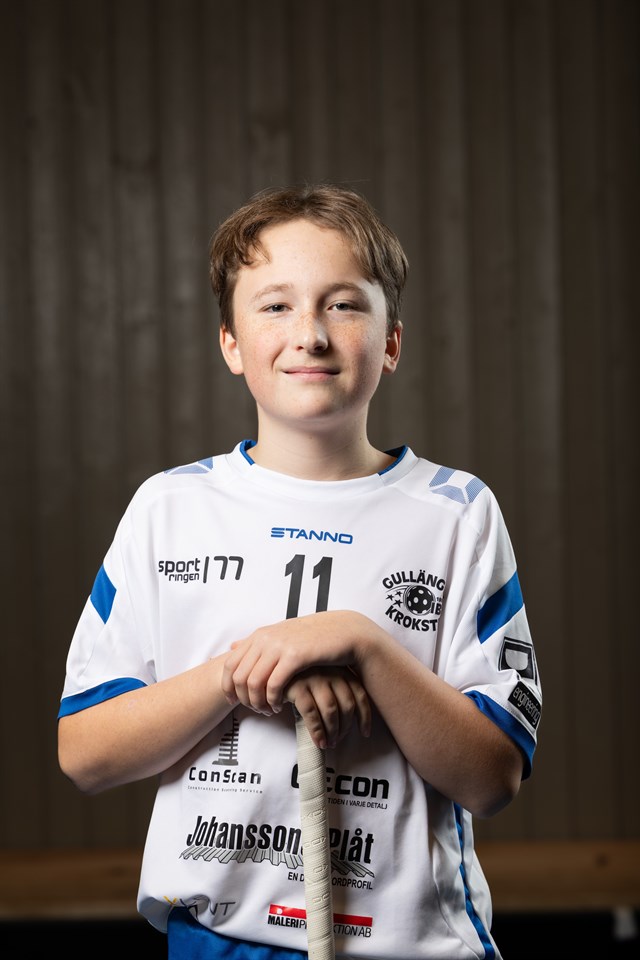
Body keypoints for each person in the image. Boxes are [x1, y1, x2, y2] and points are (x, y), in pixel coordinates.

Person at [58, 183, 542, 960]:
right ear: (230, 343)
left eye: (343, 305)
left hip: (408, 946)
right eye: (276, 306)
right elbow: (84, 753)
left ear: (391, 342)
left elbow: (492, 779)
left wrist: (362, 645)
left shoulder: (456, 513)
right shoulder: (169, 508)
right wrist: (243, 672)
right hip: (218, 940)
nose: (309, 335)